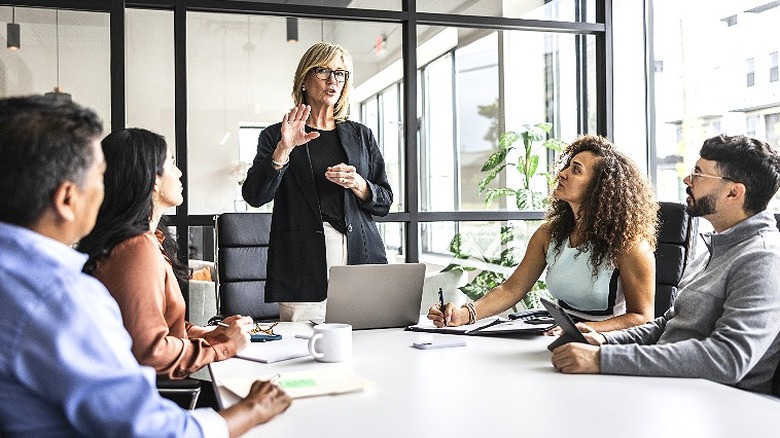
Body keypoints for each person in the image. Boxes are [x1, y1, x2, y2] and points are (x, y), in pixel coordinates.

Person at [0, 95, 290, 437]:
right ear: (67, 199)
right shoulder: (64, 297)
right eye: (99, 175)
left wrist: (214, 334)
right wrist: (252, 408)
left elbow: (157, 332)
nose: (104, 188)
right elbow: (149, 425)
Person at [551, 134, 780, 395]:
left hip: (719, 404)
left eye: (698, 174)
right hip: (672, 388)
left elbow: (728, 358)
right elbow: (668, 324)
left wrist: (602, 360)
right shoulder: (715, 249)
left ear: (733, 192)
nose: (687, 180)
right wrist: (604, 341)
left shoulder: (764, 259)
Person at [77, 128, 252, 395]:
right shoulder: (137, 249)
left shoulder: (145, 241)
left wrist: (212, 334)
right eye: (171, 163)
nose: (180, 173)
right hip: (155, 400)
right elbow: (151, 352)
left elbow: (162, 328)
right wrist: (223, 347)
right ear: (153, 180)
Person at [429, 135, 658, 332]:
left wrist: (585, 329)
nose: (563, 173)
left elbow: (641, 317)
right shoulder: (549, 234)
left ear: (600, 187)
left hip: (607, 345)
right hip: (558, 336)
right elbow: (512, 288)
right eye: (568, 166)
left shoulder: (631, 246)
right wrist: (464, 314)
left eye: (576, 170)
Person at [242, 41, 393, 322]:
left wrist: (360, 185)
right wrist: (283, 150)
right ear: (304, 80)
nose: (333, 80)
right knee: (301, 351)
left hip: (360, 254)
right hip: (302, 261)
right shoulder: (276, 134)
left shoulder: (361, 135)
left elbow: (384, 200)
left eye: (340, 73)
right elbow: (254, 195)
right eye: (323, 71)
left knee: (367, 345)